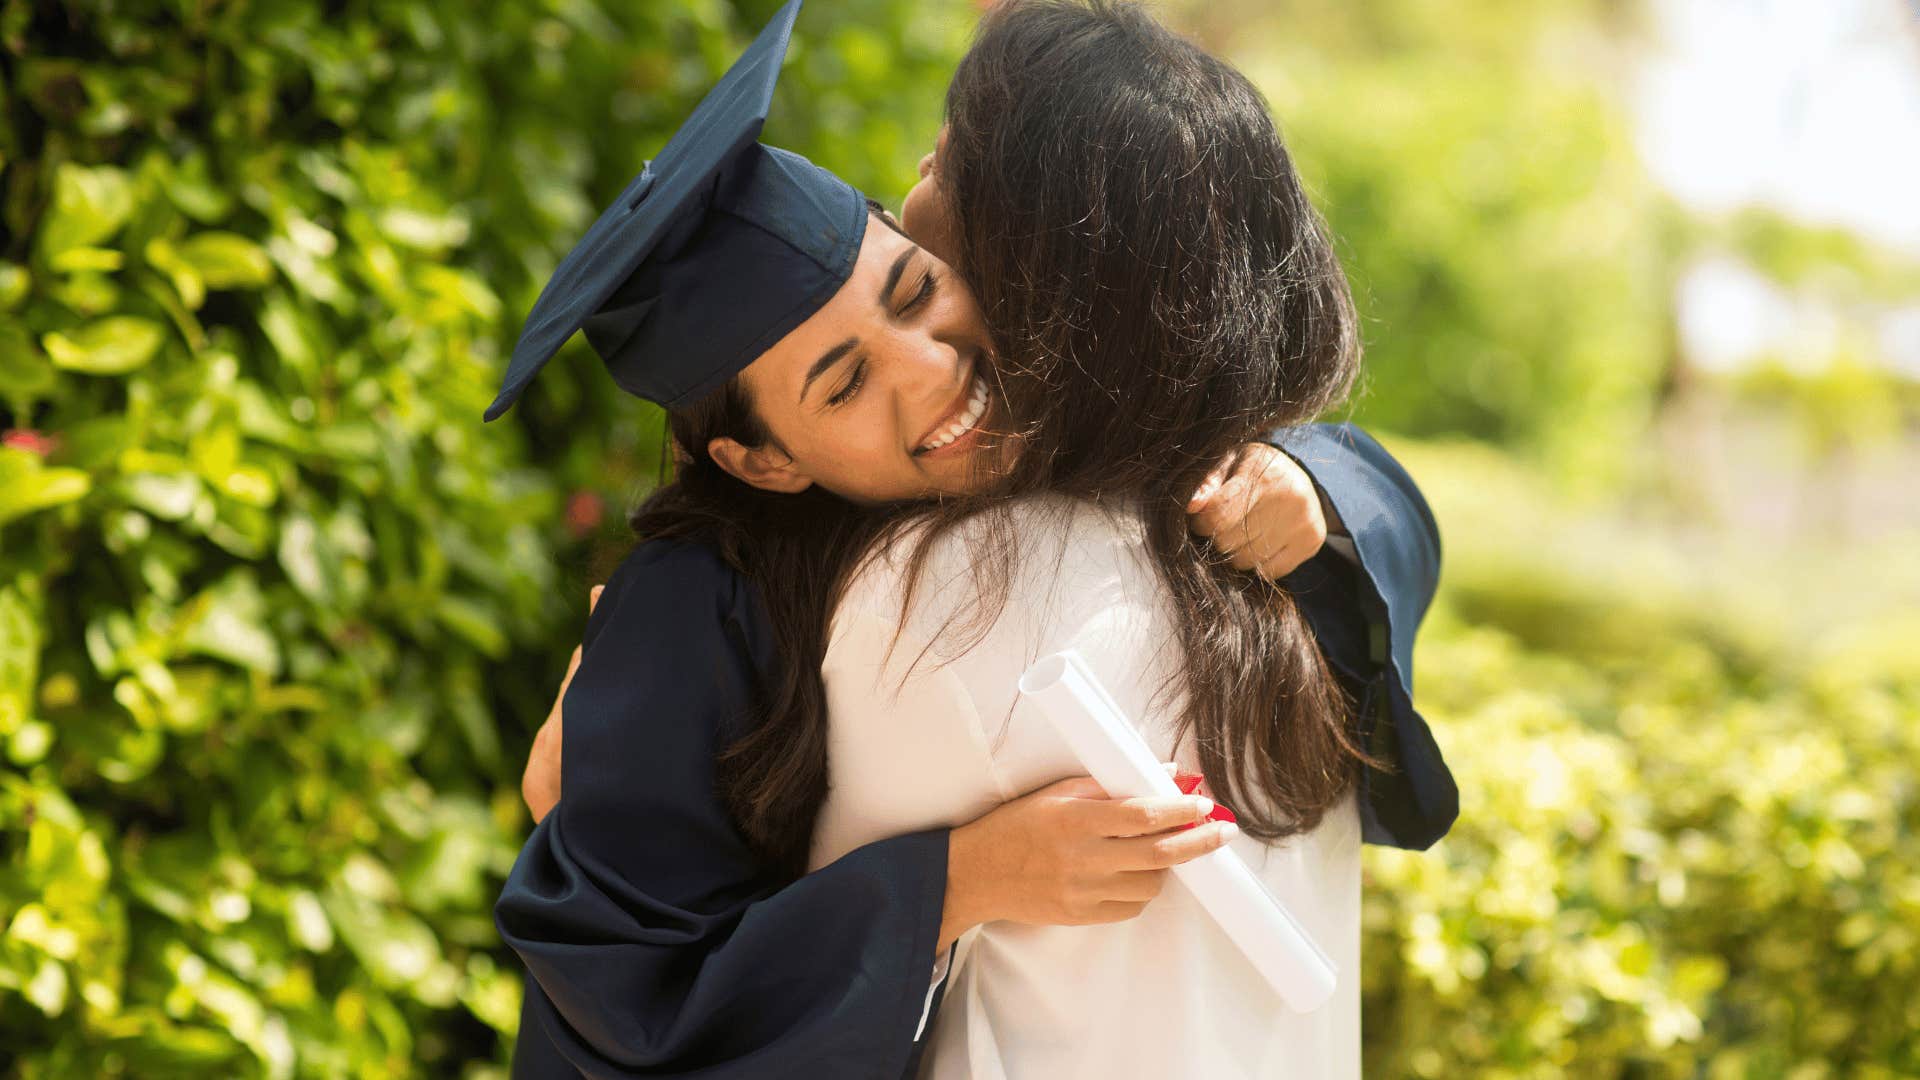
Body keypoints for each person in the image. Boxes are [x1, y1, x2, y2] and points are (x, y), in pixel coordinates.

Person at [490, 2, 1451, 1076]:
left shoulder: (1066, 445)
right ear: (765, 462)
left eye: (916, 289)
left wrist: (1311, 483)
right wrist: (950, 883)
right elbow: (630, 999)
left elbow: (1367, 488)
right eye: (845, 384)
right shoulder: (696, 603)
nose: (933, 371)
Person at [799, 3, 1402, 1074]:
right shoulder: (1295, 570)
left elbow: (773, 969)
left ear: (1034, 270)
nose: (913, 183)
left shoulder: (950, 597)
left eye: (949, 156)